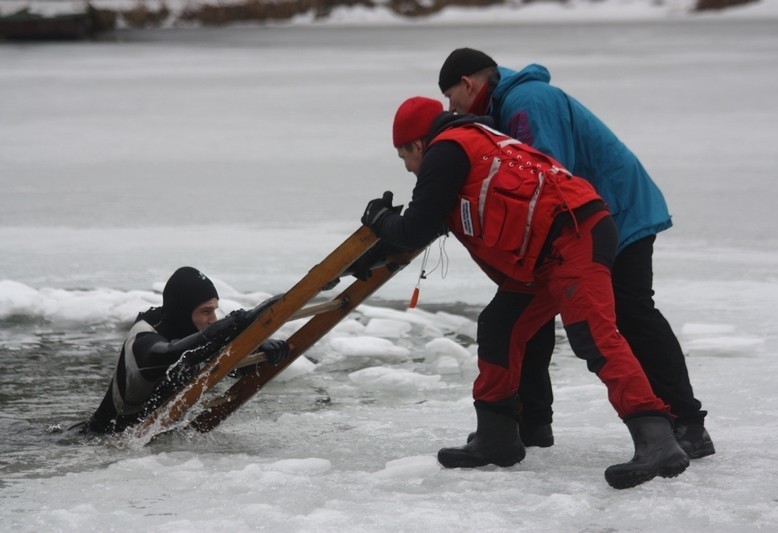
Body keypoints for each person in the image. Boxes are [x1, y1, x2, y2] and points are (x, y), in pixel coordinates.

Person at [361, 96, 689, 489]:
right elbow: (432, 216)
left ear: (416, 144)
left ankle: (656, 437)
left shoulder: (446, 148)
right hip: (546, 250)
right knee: (501, 325)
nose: (410, 168)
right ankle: (496, 437)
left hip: (572, 235)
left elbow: (415, 228)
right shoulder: (472, 140)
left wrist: (379, 218)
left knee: (592, 333)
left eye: (405, 158)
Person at [435, 48, 714, 459]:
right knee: (529, 311)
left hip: (619, 212)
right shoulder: (505, 105)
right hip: (592, 217)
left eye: (450, 98)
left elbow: (546, 176)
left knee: (632, 313)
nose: (450, 108)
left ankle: (687, 424)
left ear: (467, 84)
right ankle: (532, 424)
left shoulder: (528, 102)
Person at [75, 266, 290, 435]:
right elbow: (173, 353)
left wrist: (259, 352)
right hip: (99, 441)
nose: (212, 319)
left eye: (214, 310)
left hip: (150, 439)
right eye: (205, 312)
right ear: (182, 312)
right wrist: (237, 323)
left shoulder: (193, 330)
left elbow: (229, 365)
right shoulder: (143, 340)